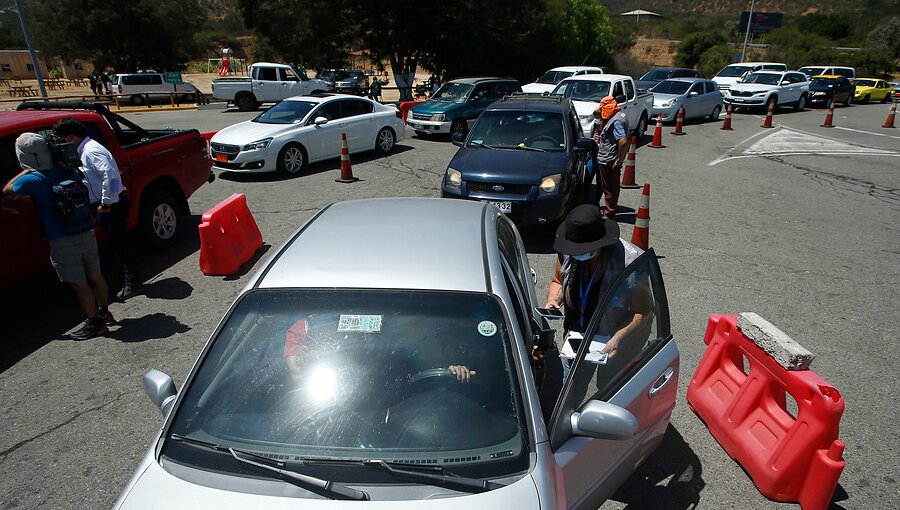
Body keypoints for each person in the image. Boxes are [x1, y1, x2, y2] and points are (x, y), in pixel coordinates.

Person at [3, 133, 114, 340]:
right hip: (85, 230)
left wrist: (26, 169)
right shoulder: (67, 169)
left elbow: (7, 189)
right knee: (95, 274)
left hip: (62, 239)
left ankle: (94, 323)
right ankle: (104, 312)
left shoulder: (31, 179)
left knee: (78, 282)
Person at [545, 204, 645, 379]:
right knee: (572, 387)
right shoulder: (568, 252)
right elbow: (558, 281)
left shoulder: (629, 264)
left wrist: (619, 337)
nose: (577, 254)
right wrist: (554, 300)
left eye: (582, 251)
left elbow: (643, 311)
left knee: (606, 391)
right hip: (577, 340)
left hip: (616, 343)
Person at [53, 118, 141, 300]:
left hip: (110, 206)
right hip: (104, 205)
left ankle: (132, 281)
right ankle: (123, 278)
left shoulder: (91, 151)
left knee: (120, 244)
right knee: (115, 244)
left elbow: (110, 177)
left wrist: (106, 203)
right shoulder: (83, 150)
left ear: (71, 137)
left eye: (62, 139)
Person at [588, 96, 629, 220]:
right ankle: (609, 212)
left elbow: (622, 140)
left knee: (609, 189)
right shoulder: (618, 116)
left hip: (609, 160)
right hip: (607, 159)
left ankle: (609, 215)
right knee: (609, 187)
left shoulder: (616, 121)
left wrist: (619, 160)